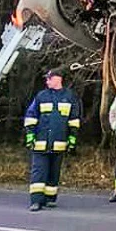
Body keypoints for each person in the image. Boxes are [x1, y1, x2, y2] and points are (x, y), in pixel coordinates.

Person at [23, 69, 81, 211]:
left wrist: (72, 139)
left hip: (59, 144)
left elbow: (74, 120)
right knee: (39, 172)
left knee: (54, 173)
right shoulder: (41, 96)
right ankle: (36, 201)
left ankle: (50, 199)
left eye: (49, 78)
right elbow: (31, 116)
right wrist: (30, 135)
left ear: (58, 79)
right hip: (40, 143)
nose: (47, 81)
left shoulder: (69, 97)